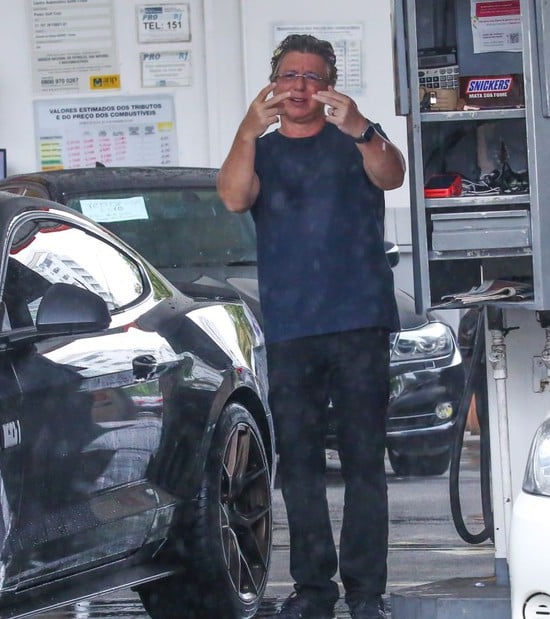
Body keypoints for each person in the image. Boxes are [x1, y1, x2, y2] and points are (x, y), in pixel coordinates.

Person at [217, 34, 406, 619]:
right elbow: (231, 197)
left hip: (360, 321)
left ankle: (367, 592)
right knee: (298, 466)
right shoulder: (261, 149)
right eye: (290, 75)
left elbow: (393, 175)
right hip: (292, 326)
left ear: (329, 86)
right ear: (274, 82)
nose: (299, 87)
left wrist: (365, 128)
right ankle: (313, 590)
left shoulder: (356, 140)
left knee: (362, 462)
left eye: (313, 77)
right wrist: (247, 130)